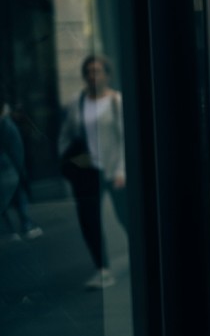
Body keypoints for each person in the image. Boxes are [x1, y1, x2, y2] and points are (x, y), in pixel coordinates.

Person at [58, 55, 127, 289]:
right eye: (88, 71)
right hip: (87, 171)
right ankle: (102, 269)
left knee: (125, 217)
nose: (92, 75)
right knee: (89, 221)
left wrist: (121, 171)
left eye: (97, 71)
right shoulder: (76, 102)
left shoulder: (116, 101)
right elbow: (66, 134)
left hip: (113, 171)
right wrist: (65, 161)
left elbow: (124, 140)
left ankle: (140, 256)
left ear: (108, 74)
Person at [0, 87, 42, 240]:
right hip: (9, 168)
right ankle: (26, 225)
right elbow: (16, 150)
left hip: (5, 168)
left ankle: (9, 230)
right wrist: (21, 171)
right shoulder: (7, 125)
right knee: (19, 197)